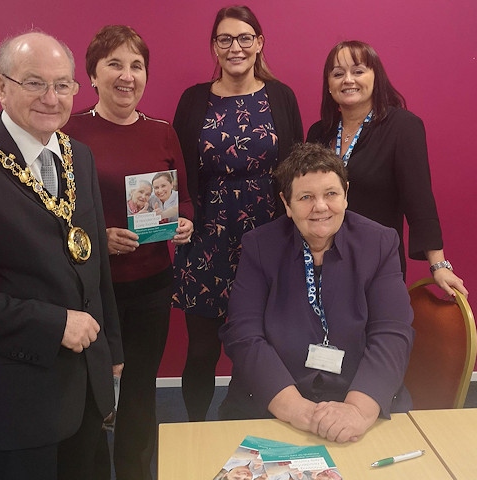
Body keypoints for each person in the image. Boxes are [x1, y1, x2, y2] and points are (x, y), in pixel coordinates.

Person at [0, 32, 123, 480]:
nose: (51, 98)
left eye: (63, 84)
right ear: (1, 86)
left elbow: (95, 265)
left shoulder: (79, 157)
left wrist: (112, 348)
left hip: (87, 385)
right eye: (34, 83)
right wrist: (55, 325)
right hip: (18, 397)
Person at [63, 25, 194, 480]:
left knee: (139, 391)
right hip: (90, 290)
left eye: (136, 65)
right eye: (114, 64)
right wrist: (101, 236)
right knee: (89, 394)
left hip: (152, 284)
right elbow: (51, 213)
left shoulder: (162, 132)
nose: (127, 75)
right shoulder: (69, 131)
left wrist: (185, 222)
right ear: (92, 75)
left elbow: (185, 197)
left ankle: (137, 473)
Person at [219, 143, 414, 444]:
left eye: (331, 194)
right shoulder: (259, 246)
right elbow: (244, 336)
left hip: (360, 396)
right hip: (276, 403)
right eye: (306, 197)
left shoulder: (379, 243)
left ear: (346, 194)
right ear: (287, 203)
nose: (320, 206)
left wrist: (357, 411)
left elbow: (392, 332)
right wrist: (299, 410)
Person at [172, 4, 303, 422]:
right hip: (207, 235)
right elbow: (176, 166)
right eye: (225, 39)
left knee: (268, 342)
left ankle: (259, 424)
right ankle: (196, 428)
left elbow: (297, 167)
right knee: (203, 348)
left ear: (259, 42)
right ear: (214, 46)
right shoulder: (194, 99)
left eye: (244, 38)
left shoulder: (280, 96)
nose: (235, 47)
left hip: (268, 237)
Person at [306, 40, 467, 297]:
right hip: (319, 262)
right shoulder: (319, 132)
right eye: (338, 73)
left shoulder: (403, 127)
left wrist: (438, 264)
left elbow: (419, 198)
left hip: (376, 264)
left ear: (375, 77)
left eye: (358, 71)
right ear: (329, 84)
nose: (348, 79)